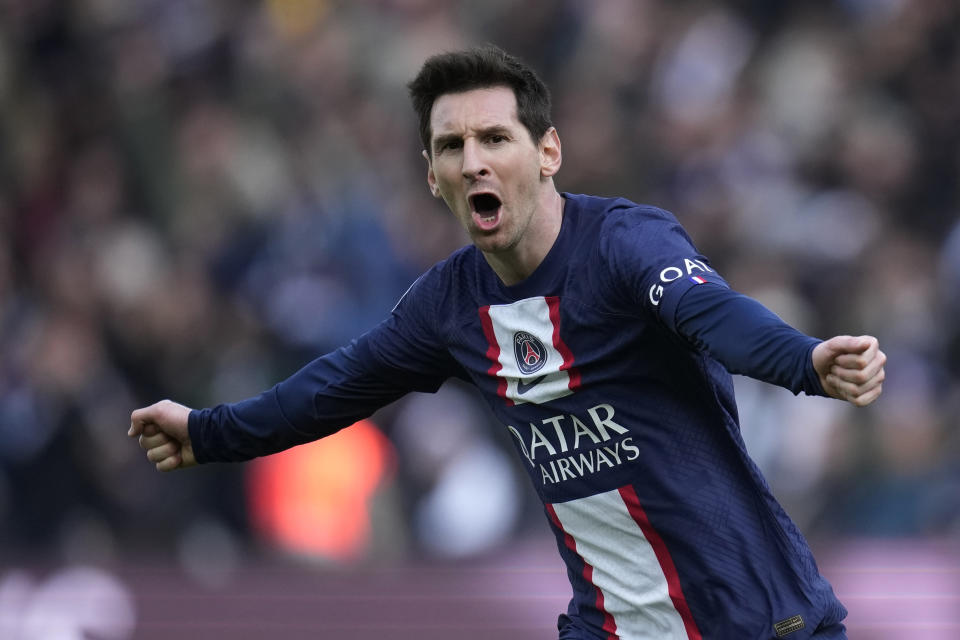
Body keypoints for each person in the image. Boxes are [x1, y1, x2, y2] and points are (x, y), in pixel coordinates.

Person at [129, 45, 885, 639]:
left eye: (495, 137)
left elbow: (712, 314)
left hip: (759, 620)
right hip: (610, 629)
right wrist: (207, 432)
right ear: (432, 175)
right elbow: (331, 388)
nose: (475, 160)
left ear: (547, 152)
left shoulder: (625, 244)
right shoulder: (448, 306)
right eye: (452, 146)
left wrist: (808, 363)